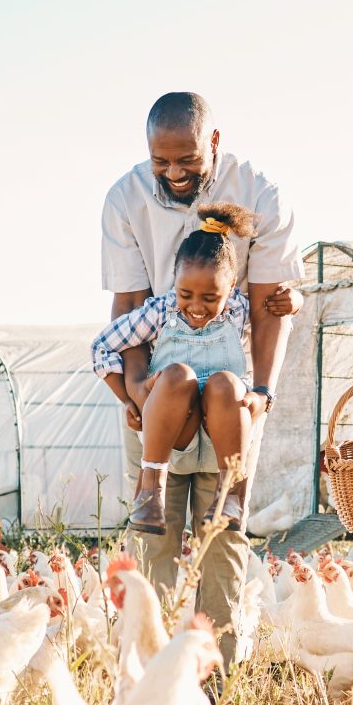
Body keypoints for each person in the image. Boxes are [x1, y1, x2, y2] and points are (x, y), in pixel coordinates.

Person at [98, 92, 299, 664]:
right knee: (154, 529)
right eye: (161, 162)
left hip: (230, 393)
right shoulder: (126, 199)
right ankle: (149, 661)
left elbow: (268, 305)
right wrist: (136, 388)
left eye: (187, 160)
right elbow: (130, 304)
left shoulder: (259, 194)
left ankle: (222, 666)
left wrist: (260, 392)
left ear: (215, 142)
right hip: (161, 388)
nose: (175, 173)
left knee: (222, 530)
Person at [92, 203, 263, 530]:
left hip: (221, 430)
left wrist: (294, 302)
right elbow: (102, 346)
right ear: (174, 283)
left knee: (227, 383)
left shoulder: (241, 311)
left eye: (211, 298)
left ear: (230, 291)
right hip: (175, 428)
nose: (196, 307)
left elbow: (274, 323)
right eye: (186, 294)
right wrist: (128, 399)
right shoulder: (159, 312)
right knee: (176, 375)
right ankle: (151, 489)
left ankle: (231, 494)